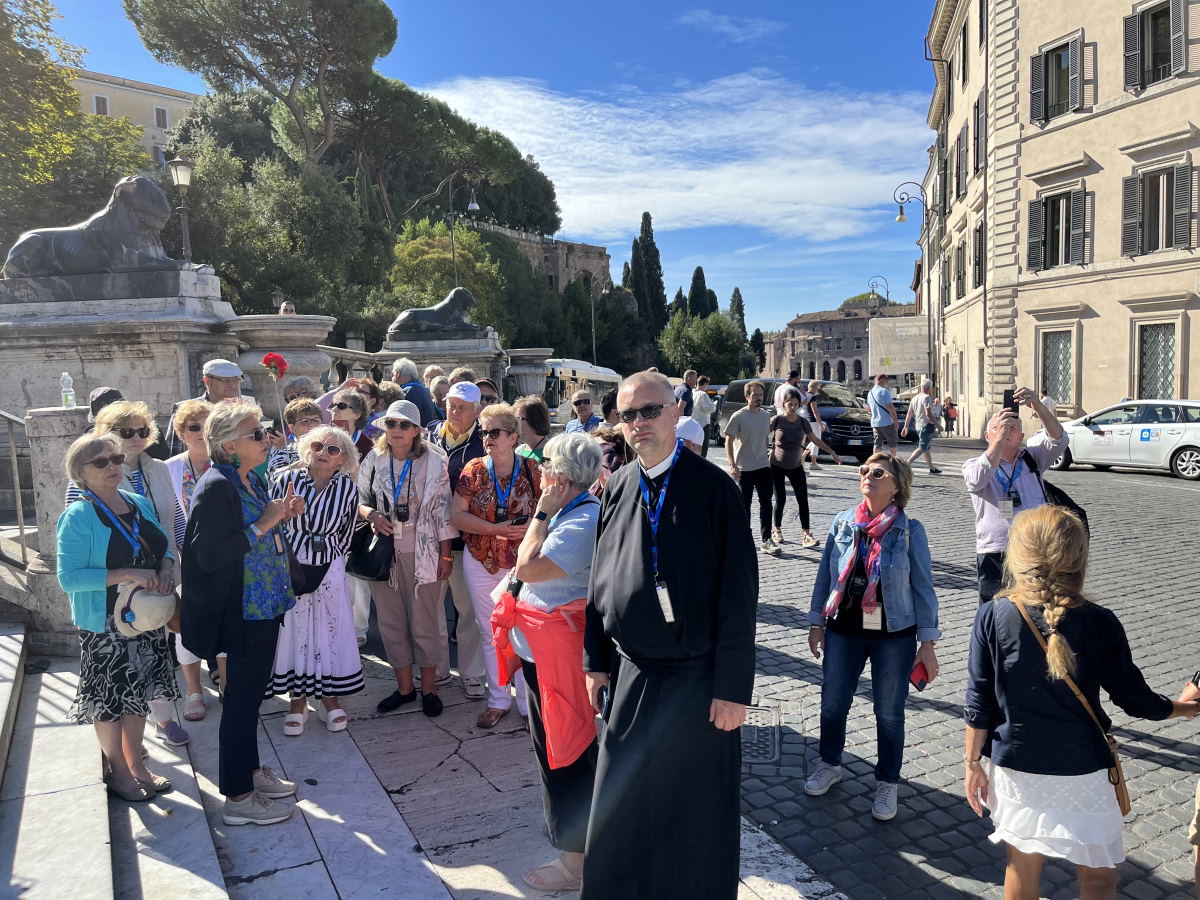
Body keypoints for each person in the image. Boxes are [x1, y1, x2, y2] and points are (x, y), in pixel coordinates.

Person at [963, 504, 1199, 898]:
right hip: (1084, 769)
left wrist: (972, 763)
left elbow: (978, 701)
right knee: (1099, 878)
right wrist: (1184, 708)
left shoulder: (993, 615)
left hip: (1018, 766)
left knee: (1020, 869)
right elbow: (1135, 700)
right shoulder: (1099, 621)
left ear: (1017, 554)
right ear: (1077, 557)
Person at [582, 371, 757, 900]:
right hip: (631, 673)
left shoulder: (715, 490)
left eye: (650, 411)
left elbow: (738, 595)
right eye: (628, 415)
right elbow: (599, 577)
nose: (639, 423)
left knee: (693, 817)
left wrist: (732, 689)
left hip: (696, 682)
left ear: (676, 411)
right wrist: (595, 659)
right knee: (620, 810)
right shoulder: (618, 485)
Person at [181, 399, 305, 826]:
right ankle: (238, 796)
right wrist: (264, 522)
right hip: (244, 611)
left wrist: (280, 515)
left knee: (250, 698)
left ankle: (250, 771)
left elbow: (258, 532)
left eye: (264, 430)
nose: (266, 438)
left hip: (265, 604)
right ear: (229, 444)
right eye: (256, 433)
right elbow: (209, 555)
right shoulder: (216, 486)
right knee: (240, 700)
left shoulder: (251, 478)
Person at [806, 453, 940, 822]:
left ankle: (887, 781)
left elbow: (924, 588)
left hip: (893, 635)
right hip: (844, 629)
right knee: (833, 704)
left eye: (878, 472)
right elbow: (825, 576)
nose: (867, 475)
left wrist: (927, 644)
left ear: (897, 486)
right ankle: (830, 763)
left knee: (889, 712)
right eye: (864, 470)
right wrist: (817, 622)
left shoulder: (909, 531)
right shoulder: (843, 522)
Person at [499, 432, 602, 893]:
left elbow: (528, 568)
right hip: (543, 654)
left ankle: (574, 861)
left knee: (566, 753)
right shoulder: (571, 511)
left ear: (560, 477)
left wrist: (540, 514)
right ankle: (575, 842)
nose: (539, 472)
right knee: (555, 750)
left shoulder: (581, 520)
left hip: (558, 658)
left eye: (545, 466)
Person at [57, 433, 179, 803]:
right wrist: (127, 573)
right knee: (109, 700)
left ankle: (136, 764)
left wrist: (166, 568)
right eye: (101, 462)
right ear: (81, 472)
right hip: (106, 624)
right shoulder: (78, 515)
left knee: (138, 695)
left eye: (115, 458)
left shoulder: (137, 502)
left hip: (145, 619)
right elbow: (69, 578)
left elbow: (165, 546)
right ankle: (118, 771)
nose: (112, 466)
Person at [80, 401, 189, 747]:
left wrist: (177, 562)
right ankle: (126, 745)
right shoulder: (90, 475)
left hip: (160, 575)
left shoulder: (158, 468)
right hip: (115, 585)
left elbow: (174, 519)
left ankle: (163, 719)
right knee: (123, 664)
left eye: (143, 430)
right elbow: (81, 533)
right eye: (126, 431)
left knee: (156, 650)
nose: (137, 437)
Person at [358, 401, 456, 717]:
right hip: (384, 553)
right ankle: (404, 689)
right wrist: (372, 514)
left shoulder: (435, 461)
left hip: (424, 551)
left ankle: (429, 689)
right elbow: (358, 499)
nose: (397, 430)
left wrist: (446, 555)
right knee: (390, 623)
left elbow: (444, 511)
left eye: (404, 424)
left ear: (416, 430)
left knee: (425, 623)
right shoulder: (374, 458)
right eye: (391, 423)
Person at [269, 426, 363, 735]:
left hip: (330, 565)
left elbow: (347, 531)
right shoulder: (285, 480)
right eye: (318, 446)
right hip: (292, 564)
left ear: (342, 459)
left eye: (333, 450)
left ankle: (329, 698)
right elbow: (270, 524)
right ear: (307, 448)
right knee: (296, 631)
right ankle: (297, 701)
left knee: (329, 630)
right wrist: (286, 514)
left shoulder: (348, 488)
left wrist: (334, 558)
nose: (323, 453)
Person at [450, 402, 539, 727]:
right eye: (484, 432)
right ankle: (498, 700)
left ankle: (528, 705)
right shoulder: (474, 469)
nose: (488, 438)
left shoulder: (532, 470)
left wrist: (530, 530)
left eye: (495, 432)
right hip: (481, 561)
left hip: (522, 564)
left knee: (522, 633)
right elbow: (456, 516)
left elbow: (549, 513)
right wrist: (494, 529)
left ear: (513, 437)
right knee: (489, 632)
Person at [962, 387, 1067, 603]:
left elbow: (1059, 439)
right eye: (998, 427)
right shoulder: (973, 464)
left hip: (1034, 546)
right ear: (987, 436)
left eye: (1013, 427)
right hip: (996, 550)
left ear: (1021, 436)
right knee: (994, 609)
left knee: (1037, 605)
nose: (1006, 431)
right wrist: (999, 442)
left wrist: (1037, 405)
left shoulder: (1032, 458)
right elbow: (977, 479)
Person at [426, 381, 488, 699]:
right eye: (451, 405)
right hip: (429, 539)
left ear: (476, 410)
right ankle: (438, 670)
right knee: (432, 608)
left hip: (466, 542)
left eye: (462, 407)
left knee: (468, 610)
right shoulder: (429, 435)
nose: (455, 411)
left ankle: (472, 673)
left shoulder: (484, 442)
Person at [165, 399, 222, 723]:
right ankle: (193, 689)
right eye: (194, 427)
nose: (201, 432)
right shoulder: (168, 469)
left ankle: (226, 680)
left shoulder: (226, 464)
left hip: (225, 559)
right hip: (184, 561)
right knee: (185, 625)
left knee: (225, 620)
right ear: (181, 433)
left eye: (207, 425)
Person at [770, 389, 842, 549]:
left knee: (803, 500)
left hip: (796, 465)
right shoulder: (777, 420)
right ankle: (777, 530)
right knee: (780, 499)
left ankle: (806, 534)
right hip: (777, 465)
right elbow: (760, 434)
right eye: (790, 404)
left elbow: (815, 440)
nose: (793, 407)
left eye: (796, 404)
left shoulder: (802, 422)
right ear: (784, 404)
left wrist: (832, 452)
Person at [724, 380, 776, 555]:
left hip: (763, 465)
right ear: (747, 396)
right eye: (755, 394)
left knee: (766, 503)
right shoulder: (738, 416)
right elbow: (728, 441)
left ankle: (767, 539)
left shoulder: (765, 415)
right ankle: (744, 538)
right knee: (744, 506)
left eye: (761, 394)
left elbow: (764, 437)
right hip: (744, 468)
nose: (758, 398)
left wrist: (768, 451)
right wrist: (732, 464)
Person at [165, 359, 243, 456]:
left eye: (235, 380)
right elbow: (173, 452)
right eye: (226, 380)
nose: (232, 385)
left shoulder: (243, 410)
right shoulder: (184, 410)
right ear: (207, 381)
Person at [268, 399, 323, 475]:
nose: (312, 425)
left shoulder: (333, 449)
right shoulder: (283, 453)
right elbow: (273, 477)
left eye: (316, 420)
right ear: (292, 427)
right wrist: (307, 460)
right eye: (305, 421)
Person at [901, 379, 943, 475]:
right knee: (922, 447)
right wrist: (938, 425)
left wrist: (905, 426)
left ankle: (931, 468)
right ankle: (906, 464)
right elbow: (928, 414)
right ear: (928, 387)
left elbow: (909, 414)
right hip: (926, 426)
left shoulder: (914, 398)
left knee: (926, 448)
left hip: (918, 426)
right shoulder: (926, 397)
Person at [392, 358, 440, 426]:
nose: (392, 378)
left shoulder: (410, 391)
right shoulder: (420, 389)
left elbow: (405, 420)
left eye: (393, 374)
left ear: (398, 374)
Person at [329, 389, 375, 460]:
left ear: (357, 414)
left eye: (341, 406)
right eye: (333, 405)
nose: (334, 409)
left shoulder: (367, 445)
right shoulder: (321, 436)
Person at [866, 373, 899, 457]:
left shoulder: (870, 393)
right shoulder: (884, 391)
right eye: (886, 380)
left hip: (875, 422)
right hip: (886, 421)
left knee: (877, 444)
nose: (887, 382)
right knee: (892, 443)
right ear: (880, 380)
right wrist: (895, 421)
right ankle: (893, 461)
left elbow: (869, 408)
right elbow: (890, 407)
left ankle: (875, 461)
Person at [800, 380, 827, 471]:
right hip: (813, 421)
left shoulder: (804, 396)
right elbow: (815, 412)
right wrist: (820, 424)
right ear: (813, 387)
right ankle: (813, 463)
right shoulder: (812, 397)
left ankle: (803, 455)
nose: (817, 390)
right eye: (817, 388)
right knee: (817, 441)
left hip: (805, 420)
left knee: (813, 441)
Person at [514, 394, 551, 464]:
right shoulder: (519, 450)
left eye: (518, 418)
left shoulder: (549, 451)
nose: (515, 422)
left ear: (534, 420)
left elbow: (549, 470)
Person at [691, 375, 716, 457]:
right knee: (703, 447)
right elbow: (708, 408)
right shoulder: (703, 394)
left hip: (693, 422)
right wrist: (714, 404)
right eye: (707, 384)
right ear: (705, 384)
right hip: (703, 423)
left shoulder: (692, 392)